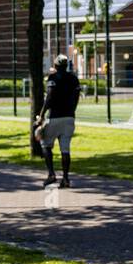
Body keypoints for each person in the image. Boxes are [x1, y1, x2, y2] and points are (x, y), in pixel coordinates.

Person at [35, 55, 80, 187]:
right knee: (65, 149)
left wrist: (42, 114)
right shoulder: (73, 78)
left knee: (45, 143)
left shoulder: (53, 78)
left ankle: (51, 174)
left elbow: (49, 97)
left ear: (55, 66)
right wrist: (72, 110)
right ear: (66, 65)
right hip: (69, 117)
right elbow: (76, 96)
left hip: (54, 116)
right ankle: (65, 178)